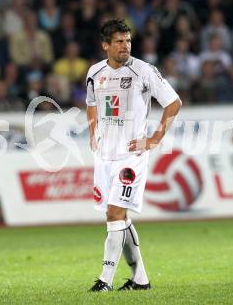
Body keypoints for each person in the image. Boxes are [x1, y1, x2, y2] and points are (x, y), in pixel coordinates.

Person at [86, 19, 181, 292]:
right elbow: (91, 104)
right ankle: (141, 280)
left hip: (132, 156)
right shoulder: (95, 72)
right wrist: (93, 132)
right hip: (104, 156)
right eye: (119, 41)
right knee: (119, 217)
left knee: (115, 213)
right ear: (106, 45)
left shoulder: (144, 70)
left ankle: (104, 280)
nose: (125, 45)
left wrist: (154, 138)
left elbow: (174, 103)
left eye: (128, 40)